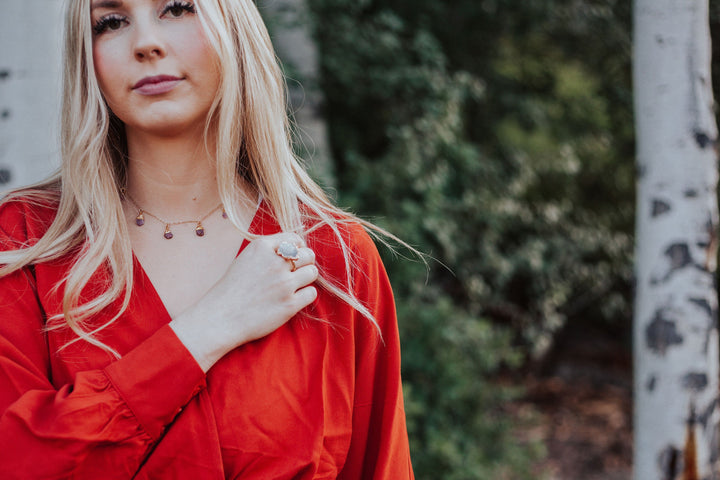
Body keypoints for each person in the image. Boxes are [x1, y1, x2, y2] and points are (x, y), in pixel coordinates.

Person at [0, 0, 415, 478]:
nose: (146, 43)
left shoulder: (333, 256)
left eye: (177, 8)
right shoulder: (27, 242)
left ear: (232, 24)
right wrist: (207, 329)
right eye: (110, 22)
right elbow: (18, 462)